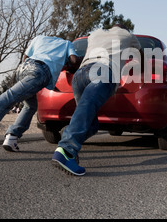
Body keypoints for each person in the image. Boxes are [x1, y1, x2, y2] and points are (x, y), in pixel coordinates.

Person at [52, 24, 142, 176]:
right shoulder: (128, 36)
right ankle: (66, 149)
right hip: (103, 72)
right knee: (87, 106)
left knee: (91, 124)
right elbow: (139, 56)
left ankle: (70, 137)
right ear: (126, 30)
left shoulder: (95, 33)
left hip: (80, 75)